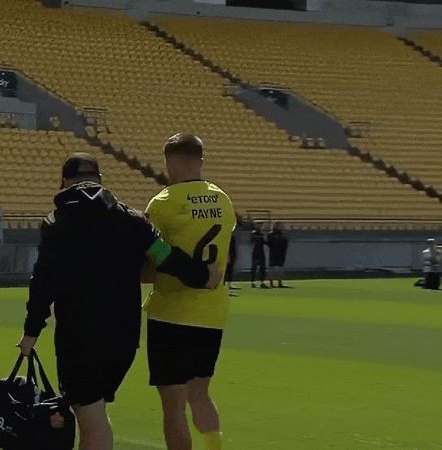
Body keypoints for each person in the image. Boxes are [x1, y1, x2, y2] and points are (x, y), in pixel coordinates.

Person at [17, 152, 222, 450]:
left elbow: (43, 281)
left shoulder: (57, 223)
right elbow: (164, 257)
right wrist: (202, 275)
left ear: (64, 182)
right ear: (100, 180)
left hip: (79, 336)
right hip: (124, 337)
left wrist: (31, 331)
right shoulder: (133, 220)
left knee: (91, 415)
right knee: (95, 410)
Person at [144, 134, 236, 450]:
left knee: (173, 403)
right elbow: (225, 253)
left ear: (169, 162)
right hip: (212, 312)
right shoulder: (223, 200)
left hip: (171, 312)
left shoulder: (163, 203)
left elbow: (152, 255)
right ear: (200, 160)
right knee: (200, 394)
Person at [266, 222, 290, 288]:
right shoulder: (271, 235)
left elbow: (286, 243)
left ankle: (279, 282)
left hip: (281, 253)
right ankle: (271, 282)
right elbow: (269, 243)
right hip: (274, 253)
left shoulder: (282, 234)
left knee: (280, 268)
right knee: (273, 268)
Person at [250, 222, 269, 288]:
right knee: (254, 268)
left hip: (261, 252)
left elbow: (264, 242)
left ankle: (262, 282)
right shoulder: (254, 234)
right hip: (256, 252)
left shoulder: (261, 234)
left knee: (262, 268)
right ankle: (253, 282)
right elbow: (253, 241)